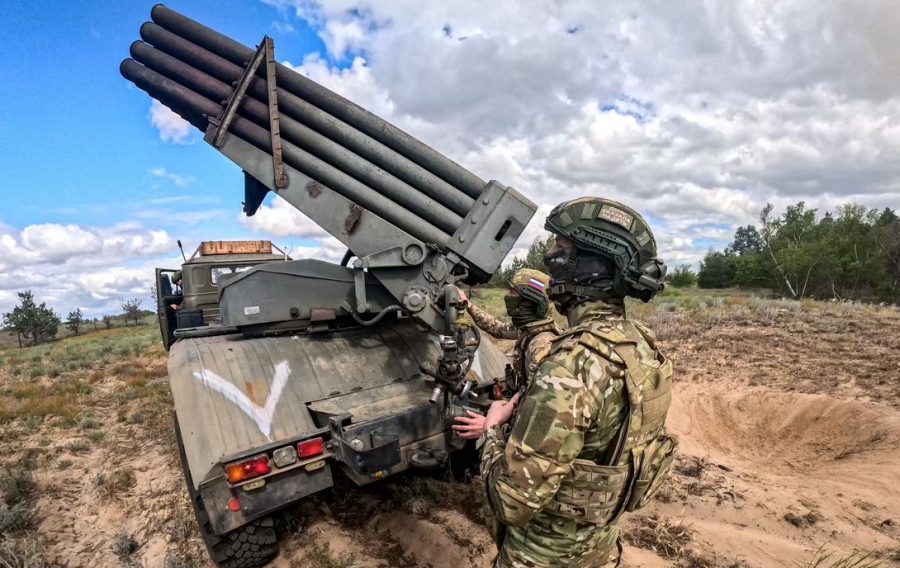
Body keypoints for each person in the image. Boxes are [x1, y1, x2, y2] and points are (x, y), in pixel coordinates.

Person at [479, 197, 676, 568]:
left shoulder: (571, 366)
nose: (550, 256)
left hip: (540, 556)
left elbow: (512, 501)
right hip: (600, 551)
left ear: (591, 266)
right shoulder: (641, 346)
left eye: (561, 248)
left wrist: (491, 432)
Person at [452, 269, 560, 440]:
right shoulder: (530, 329)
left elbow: (541, 417)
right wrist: (468, 305)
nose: (507, 295)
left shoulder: (542, 345)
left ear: (530, 301)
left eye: (512, 292)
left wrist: (491, 427)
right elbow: (498, 329)